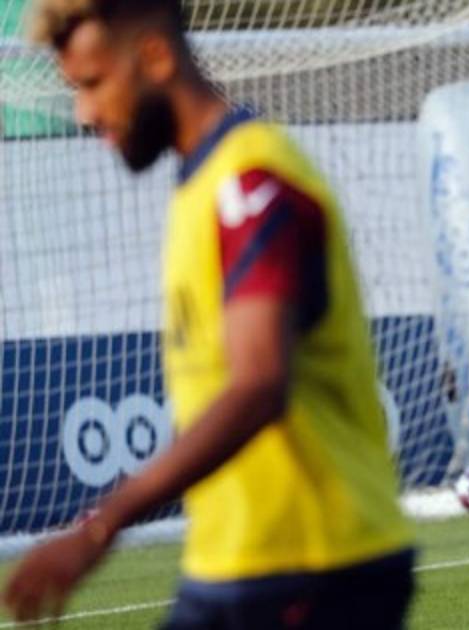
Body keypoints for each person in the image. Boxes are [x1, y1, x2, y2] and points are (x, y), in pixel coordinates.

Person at [5, 1, 415, 627]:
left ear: (154, 57)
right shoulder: (201, 185)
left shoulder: (250, 182)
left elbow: (258, 385)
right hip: (236, 565)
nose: (84, 113)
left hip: (312, 563)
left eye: (92, 83)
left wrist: (99, 528)